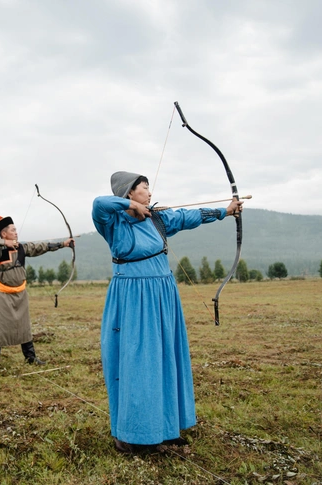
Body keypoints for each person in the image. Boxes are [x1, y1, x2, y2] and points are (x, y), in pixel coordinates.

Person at [92, 171, 243, 453]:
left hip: (163, 294)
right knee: (140, 362)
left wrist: (226, 211)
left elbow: (189, 216)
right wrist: (130, 208)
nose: (149, 193)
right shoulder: (113, 223)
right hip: (134, 298)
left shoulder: (158, 219)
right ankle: (133, 434)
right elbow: (99, 204)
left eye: (149, 189)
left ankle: (164, 426)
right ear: (129, 194)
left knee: (164, 357)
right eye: (143, 189)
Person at [0, 215, 74, 370]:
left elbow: (41, 246)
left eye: (16, 229)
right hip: (3, 294)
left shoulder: (22, 248)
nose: (16, 232)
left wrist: (63, 244)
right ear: (4, 234)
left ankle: (30, 357)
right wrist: (6, 243)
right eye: (13, 230)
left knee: (24, 326)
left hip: (20, 293)